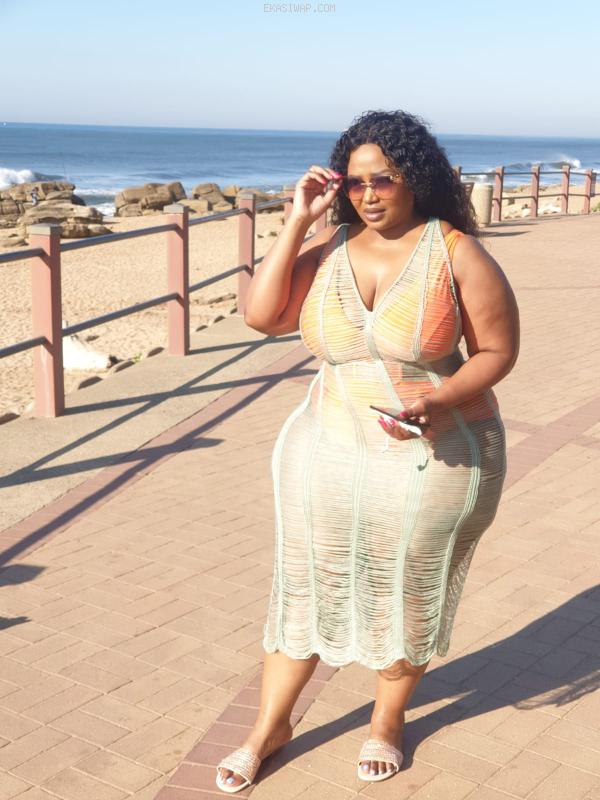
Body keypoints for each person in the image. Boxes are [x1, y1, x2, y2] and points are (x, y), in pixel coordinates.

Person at [215, 109, 520, 792]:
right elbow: (262, 316)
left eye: (383, 179)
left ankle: (387, 719)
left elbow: (498, 351)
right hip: (328, 444)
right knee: (305, 585)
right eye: (355, 183)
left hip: (438, 448)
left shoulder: (456, 253)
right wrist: (297, 221)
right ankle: (269, 728)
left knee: (405, 588)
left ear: (416, 177)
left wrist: (437, 399)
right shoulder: (330, 247)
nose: (369, 194)